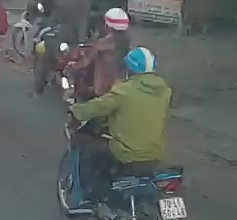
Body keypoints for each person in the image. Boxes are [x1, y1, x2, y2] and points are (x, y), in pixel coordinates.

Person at [68, 47, 172, 206]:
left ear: (130, 69)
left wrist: (76, 110)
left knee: (89, 153)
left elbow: (98, 107)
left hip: (127, 153)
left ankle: (92, 197)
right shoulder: (165, 92)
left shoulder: (124, 90)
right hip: (154, 153)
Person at [73, 8, 133, 97]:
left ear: (108, 26)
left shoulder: (103, 43)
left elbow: (85, 62)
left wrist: (73, 66)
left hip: (104, 90)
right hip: (122, 86)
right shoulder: (127, 41)